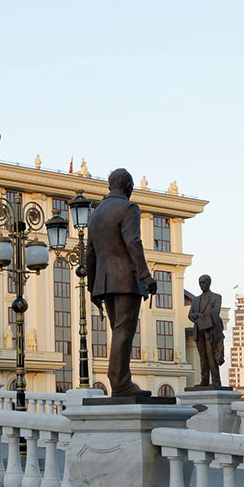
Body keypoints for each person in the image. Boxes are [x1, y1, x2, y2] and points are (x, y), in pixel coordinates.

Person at [83, 168, 155, 397]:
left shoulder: (95, 214)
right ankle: (120, 383)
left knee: (118, 331)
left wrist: (92, 287)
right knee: (124, 330)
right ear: (129, 187)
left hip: (105, 282)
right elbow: (133, 242)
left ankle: (120, 381)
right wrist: (146, 276)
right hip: (125, 280)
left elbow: (90, 253)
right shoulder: (128, 208)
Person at [188, 274, 225, 389]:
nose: (201, 285)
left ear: (209, 283)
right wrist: (197, 315)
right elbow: (190, 315)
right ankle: (204, 380)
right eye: (200, 283)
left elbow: (215, 312)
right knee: (202, 356)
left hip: (210, 331)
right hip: (199, 332)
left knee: (211, 356)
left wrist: (201, 316)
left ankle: (216, 380)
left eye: (203, 283)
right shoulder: (196, 300)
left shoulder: (216, 297)